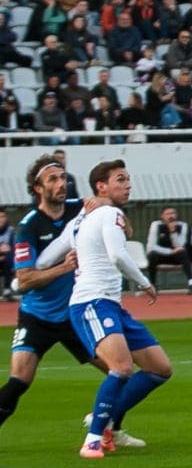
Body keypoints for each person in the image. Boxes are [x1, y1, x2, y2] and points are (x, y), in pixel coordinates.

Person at [35, 161, 172, 459]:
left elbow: (44, 260)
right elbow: (117, 254)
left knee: (159, 368)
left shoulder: (80, 221)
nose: (128, 185)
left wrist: (69, 260)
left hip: (109, 304)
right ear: (101, 186)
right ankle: (94, 438)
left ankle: (104, 419)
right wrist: (145, 283)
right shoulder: (110, 213)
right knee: (122, 367)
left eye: (128, 179)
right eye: (120, 179)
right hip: (92, 303)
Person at [0, 157, 111, 435]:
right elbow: (24, 281)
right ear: (38, 188)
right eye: (53, 179)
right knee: (20, 379)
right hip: (37, 317)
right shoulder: (29, 227)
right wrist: (65, 267)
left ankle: (110, 427)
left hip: (76, 315)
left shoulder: (78, 209)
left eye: (63, 178)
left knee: (119, 371)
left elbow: (107, 207)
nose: (61, 184)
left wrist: (102, 204)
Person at [146, 205, 192, 293]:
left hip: (175, 257)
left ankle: (191, 283)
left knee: (183, 252)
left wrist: (173, 232)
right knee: (152, 255)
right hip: (161, 255)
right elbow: (151, 246)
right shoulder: (156, 225)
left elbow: (180, 245)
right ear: (162, 216)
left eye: (173, 213)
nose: (171, 216)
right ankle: (153, 284)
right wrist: (170, 251)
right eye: (168, 214)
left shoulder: (182, 225)